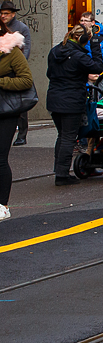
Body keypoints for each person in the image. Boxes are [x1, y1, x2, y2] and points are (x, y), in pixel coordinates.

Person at [46, 25, 103, 185]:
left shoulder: (55, 51)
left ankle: (59, 170)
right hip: (71, 101)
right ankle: (62, 175)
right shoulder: (78, 56)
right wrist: (95, 46)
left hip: (54, 99)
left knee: (62, 135)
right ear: (82, 39)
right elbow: (98, 67)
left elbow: (49, 73)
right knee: (68, 137)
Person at [0, 19, 34, 221]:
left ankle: (3, 205)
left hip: (5, 112)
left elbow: (26, 80)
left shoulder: (11, 50)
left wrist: (1, 81)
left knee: (0, 158)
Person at [0, 0, 32, 145]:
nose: (3, 16)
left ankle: (22, 134)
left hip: (15, 70)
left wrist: (16, 66)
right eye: (1, 13)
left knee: (19, 103)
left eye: (6, 13)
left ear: (13, 14)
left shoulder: (21, 28)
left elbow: (25, 50)